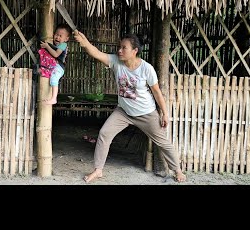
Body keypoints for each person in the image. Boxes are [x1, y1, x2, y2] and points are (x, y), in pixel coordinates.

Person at [73, 31, 186, 183]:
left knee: (163, 142)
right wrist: (84, 41)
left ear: (134, 51)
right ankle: (98, 170)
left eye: (124, 48)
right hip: (124, 112)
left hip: (146, 113)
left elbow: (157, 93)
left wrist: (165, 113)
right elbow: (97, 53)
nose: (119, 50)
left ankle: (178, 170)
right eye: (119, 47)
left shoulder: (146, 69)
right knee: (104, 134)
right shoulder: (115, 61)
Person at [39, 23, 72, 105]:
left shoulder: (63, 45)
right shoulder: (55, 44)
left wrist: (47, 46)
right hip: (54, 66)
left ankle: (54, 99)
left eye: (61, 36)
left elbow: (56, 54)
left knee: (54, 79)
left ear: (66, 39)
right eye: (56, 35)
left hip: (59, 67)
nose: (57, 37)